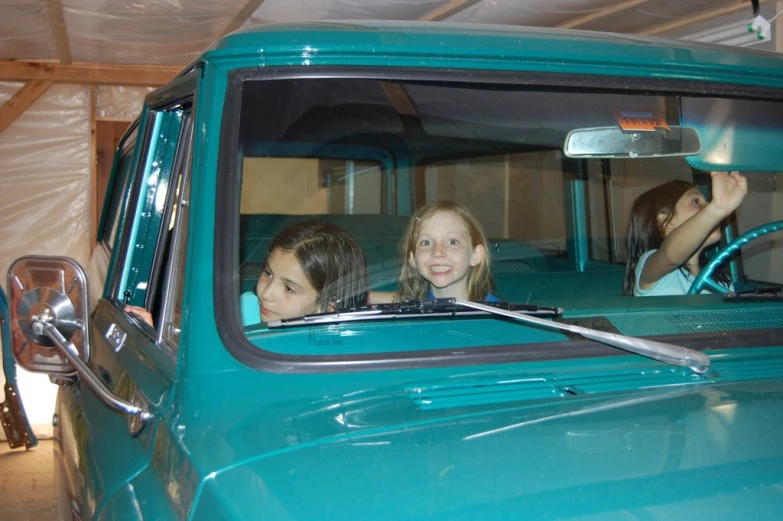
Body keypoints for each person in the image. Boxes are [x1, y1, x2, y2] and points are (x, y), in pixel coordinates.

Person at [127, 219, 368, 326]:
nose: (266, 293)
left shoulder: (342, 341)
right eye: (268, 272)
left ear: (328, 307)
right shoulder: (241, 313)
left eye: (289, 288)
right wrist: (150, 331)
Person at [622, 171, 747, 297]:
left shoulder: (721, 282)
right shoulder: (650, 269)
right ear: (666, 223)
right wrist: (718, 208)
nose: (708, 207)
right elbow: (670, 256)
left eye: (709, 204)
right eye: (696, 201)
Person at [372, 200, 498, 303]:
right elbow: (370, 297)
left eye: (452, 242)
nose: (437, 252)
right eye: (426, 243)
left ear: (475, 255)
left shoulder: (498, 317)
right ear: (412, 258)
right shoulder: (414, 305)